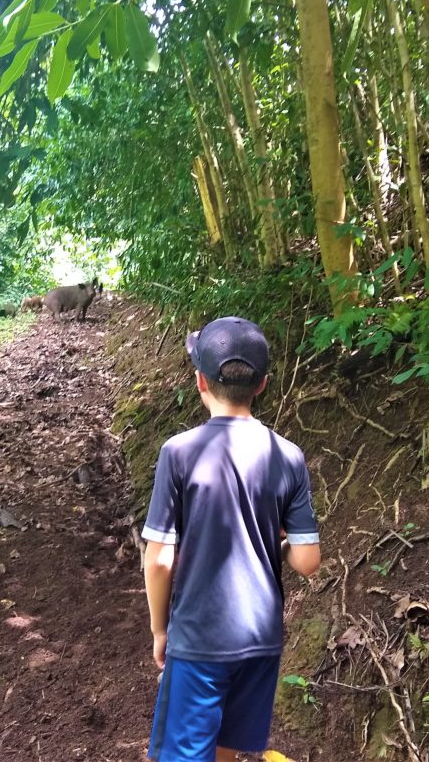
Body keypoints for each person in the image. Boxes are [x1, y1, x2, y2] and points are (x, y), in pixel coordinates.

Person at [142, 316, 322, 762]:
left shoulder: (179, 452)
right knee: (226, 752)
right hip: (260, 638)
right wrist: (273, 542)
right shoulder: (288, 456)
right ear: (261, 386)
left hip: (201, 637)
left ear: (200, 380)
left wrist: (160, 628)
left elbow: (160, 559)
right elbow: (307, 560)